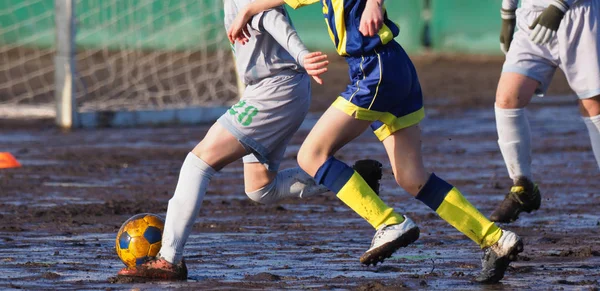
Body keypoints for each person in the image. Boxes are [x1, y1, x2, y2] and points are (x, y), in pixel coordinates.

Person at [228, 0, 524, 284]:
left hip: (374, 70)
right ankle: (496, 239)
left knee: (311, 155)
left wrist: (374, 3)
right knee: (412, 178)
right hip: (393, 67)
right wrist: (248, 10)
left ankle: (388, 222)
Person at [116, 0, 383, 280]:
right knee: (260, 188)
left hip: (276, 89)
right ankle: (352, 179)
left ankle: (169, 259)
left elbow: (271, 20)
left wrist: (301, 54)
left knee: (197, 163)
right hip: (278, 89)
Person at [492, 0, 600, 223]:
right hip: (533, 17)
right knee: (508, 99)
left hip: (579, 14)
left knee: (592, 105)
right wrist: (508, 11)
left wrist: (560, 5)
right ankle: (523, 188)